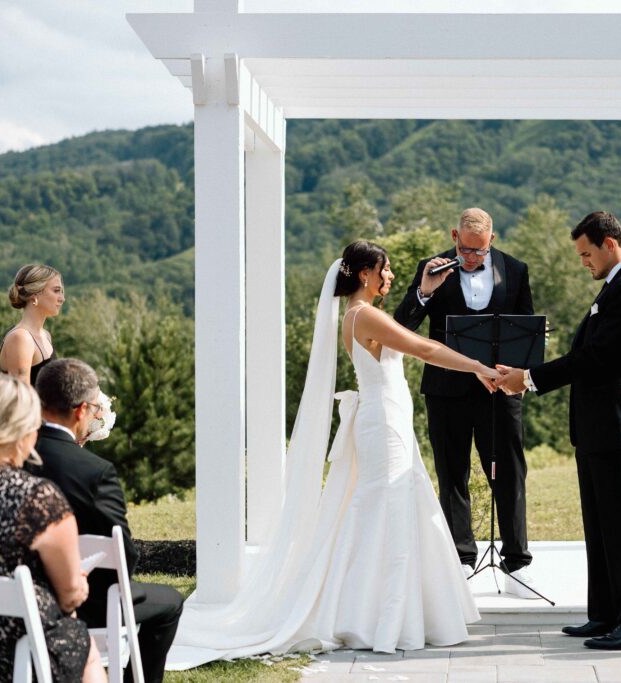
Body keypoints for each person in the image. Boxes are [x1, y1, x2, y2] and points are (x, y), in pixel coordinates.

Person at [169, 240, 488, 667]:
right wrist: (481, 368)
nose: (390, 276)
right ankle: (381, 616)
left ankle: (376, 609)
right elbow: (426, 349)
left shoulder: (359, 315)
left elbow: (401, 334)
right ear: (364, 274)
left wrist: (424, 290)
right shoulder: (365, 315)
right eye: (386, 269)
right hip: (384, 424)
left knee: (387, 508)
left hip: (386, 421)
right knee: (386, 511)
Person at [495, 211, 621, 651]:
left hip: (619, 425)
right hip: (597, 428)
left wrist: (528, 377)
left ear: (609, 243)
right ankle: (605, 615)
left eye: (587, 253)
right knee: (600, 525)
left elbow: (596, 358)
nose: (583, 262)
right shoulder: (613, 287)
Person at [393, 207, 537, 595]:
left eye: (479, 251)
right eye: (466, 249)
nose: (471, 257)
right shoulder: (432, 268)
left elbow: (525, 330)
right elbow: (402, 326)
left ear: (493, 239)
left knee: (510, 471)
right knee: (451, 473)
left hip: (500, 389)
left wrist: (512, 376)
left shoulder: (517, 270)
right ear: (454, 235)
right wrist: (425, 291)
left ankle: (517, 563)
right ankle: (461, 559)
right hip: (446, 392)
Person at [31, 359, 184, 683]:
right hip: (87, 603)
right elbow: (123, 558)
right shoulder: (95, 471)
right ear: (80, 411)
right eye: (95, 409)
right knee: (170, 602)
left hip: (21, 596)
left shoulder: (13, 455)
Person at [0, 372, 104, 683]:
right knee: (85, 645)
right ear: (24, 432)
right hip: (19, 654)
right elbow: (69, 597)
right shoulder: (38, 500)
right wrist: (78, 584)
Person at [0, 264, 65, 386]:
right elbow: (20, 398)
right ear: (35, 295)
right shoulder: (20, 338)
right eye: (56, 291)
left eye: (62, 292)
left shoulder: (46, 335)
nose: (62, 298)